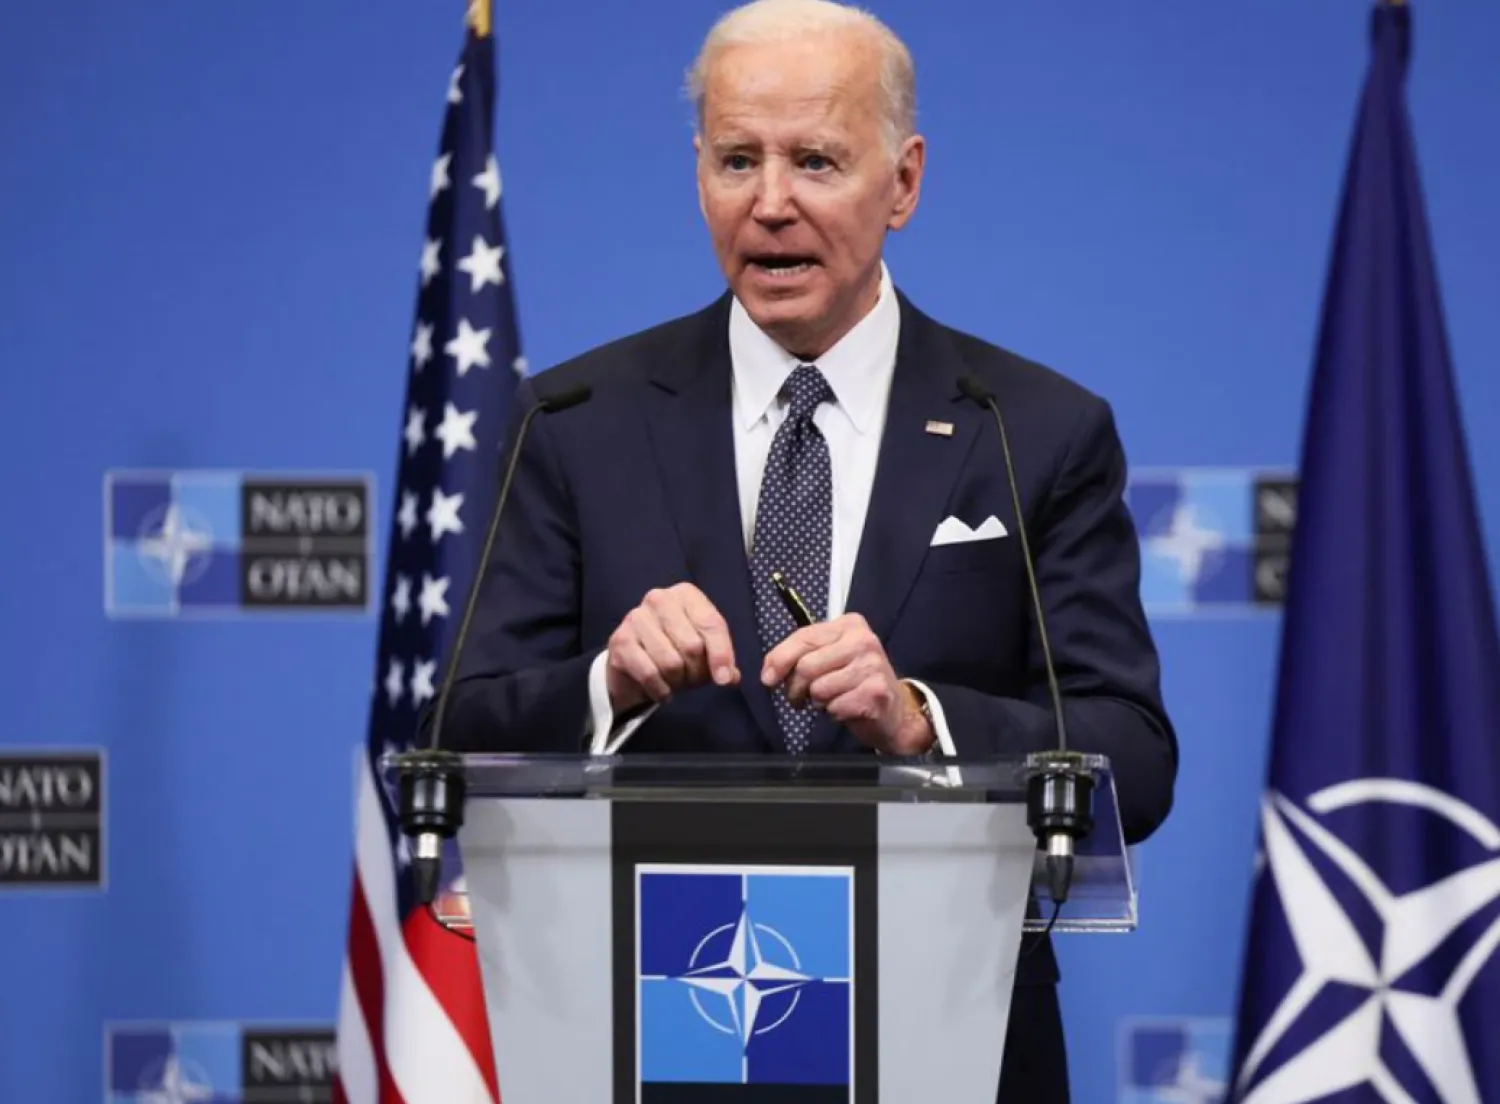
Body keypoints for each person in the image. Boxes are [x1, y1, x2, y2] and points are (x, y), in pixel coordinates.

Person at [422, 0, 1177, 1098]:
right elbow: (455, 737)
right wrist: (608, 684)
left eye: (816, 161)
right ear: (699, 176)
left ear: (903, 183)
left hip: (950, 1038)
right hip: (653, 1026)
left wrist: (921, 722)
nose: (770, 203)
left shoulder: (1031, 430)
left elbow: (1133, 759)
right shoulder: (574, 422)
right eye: (738, 160)